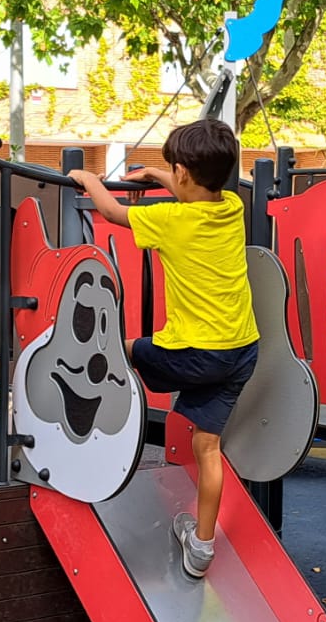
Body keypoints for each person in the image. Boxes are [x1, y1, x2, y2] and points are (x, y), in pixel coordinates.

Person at [72, 120, 257, 578]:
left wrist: (91, 180)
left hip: (196, 353)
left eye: (175, 174)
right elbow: (191, 189)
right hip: (241, 350)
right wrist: (159, 176)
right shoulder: (232, 206)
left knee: (120, 347)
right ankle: (202, 545)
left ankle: (95, 430)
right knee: (206, 446)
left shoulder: (169, 219)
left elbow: (113, 213)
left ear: (184, 173)